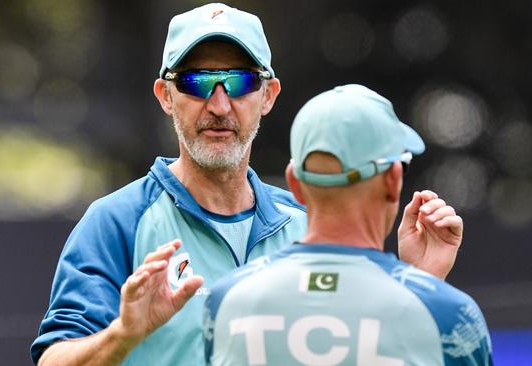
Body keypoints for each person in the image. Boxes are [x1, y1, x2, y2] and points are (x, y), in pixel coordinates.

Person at [31, 4, 463, 366]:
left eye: (239, 82)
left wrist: (417, 282)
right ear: (165, 96)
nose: (219, 105)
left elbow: (362, 350)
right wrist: (124, 334)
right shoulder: (117, 221)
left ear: (268, 95)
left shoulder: (308, 225)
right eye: (196, 82)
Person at [204, 84, 493, 365]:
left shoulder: (228, 299)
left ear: (295, 183)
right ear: (393, 179)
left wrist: (418, 281)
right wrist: (423, 286)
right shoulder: (450, 315)